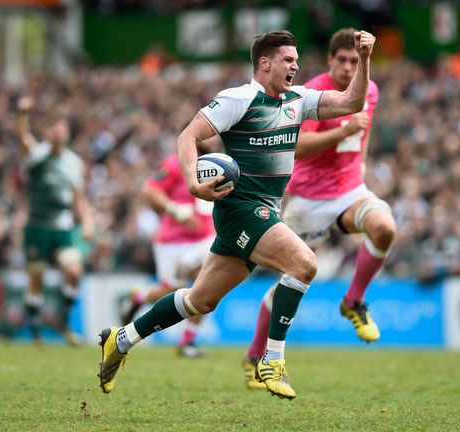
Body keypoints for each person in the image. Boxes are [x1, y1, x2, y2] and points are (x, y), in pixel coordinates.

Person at [97, 29, 376, 400]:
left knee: (199, 301)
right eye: (287, 60)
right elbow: (187, 137)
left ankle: (122, 338)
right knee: (304, 264)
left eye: (296, 59)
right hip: (242, 209)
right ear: (264, 63)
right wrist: (194, 185)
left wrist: (365, 57)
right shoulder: (238, 99)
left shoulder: (299, 100)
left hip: (263, 210)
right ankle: (272, 360)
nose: (295, 65)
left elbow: (352, 103)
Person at [241, 28, 396, 389]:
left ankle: (353, 300)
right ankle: (254, 356)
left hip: (348, 191)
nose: (347, 67)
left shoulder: (369, 88)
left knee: (385, 227)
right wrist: (342, 133)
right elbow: (297, 146)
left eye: (353, 61)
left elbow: (365, 128)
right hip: (308, 199)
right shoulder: (311, 93)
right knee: (289, 280)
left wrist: (361, 163)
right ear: (330, 60)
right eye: (341, 60)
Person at [119, 142, 218, 358]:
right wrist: (175, 210)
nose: (214, 138)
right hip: (173, 241)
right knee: (170, 291)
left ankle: (187, 342)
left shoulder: (220, 163)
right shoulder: (176, 164)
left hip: (204, 239)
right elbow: (150, 191)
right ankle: (139, 296)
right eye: (209, 133)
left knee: (209, 284)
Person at [16, 97, 94, 346]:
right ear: (48, 132)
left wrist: (88, 221)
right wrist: (21, 115)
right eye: (55, 129)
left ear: (68, 133)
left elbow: (79, 198)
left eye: (63, 129)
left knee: (74, 270)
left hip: (61, 227)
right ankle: (36, 331)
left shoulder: (74, 162)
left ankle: (64, 322)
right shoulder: (37, 154)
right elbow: (22, 138)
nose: (59, 133)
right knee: (36, 279)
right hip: (37, 226)